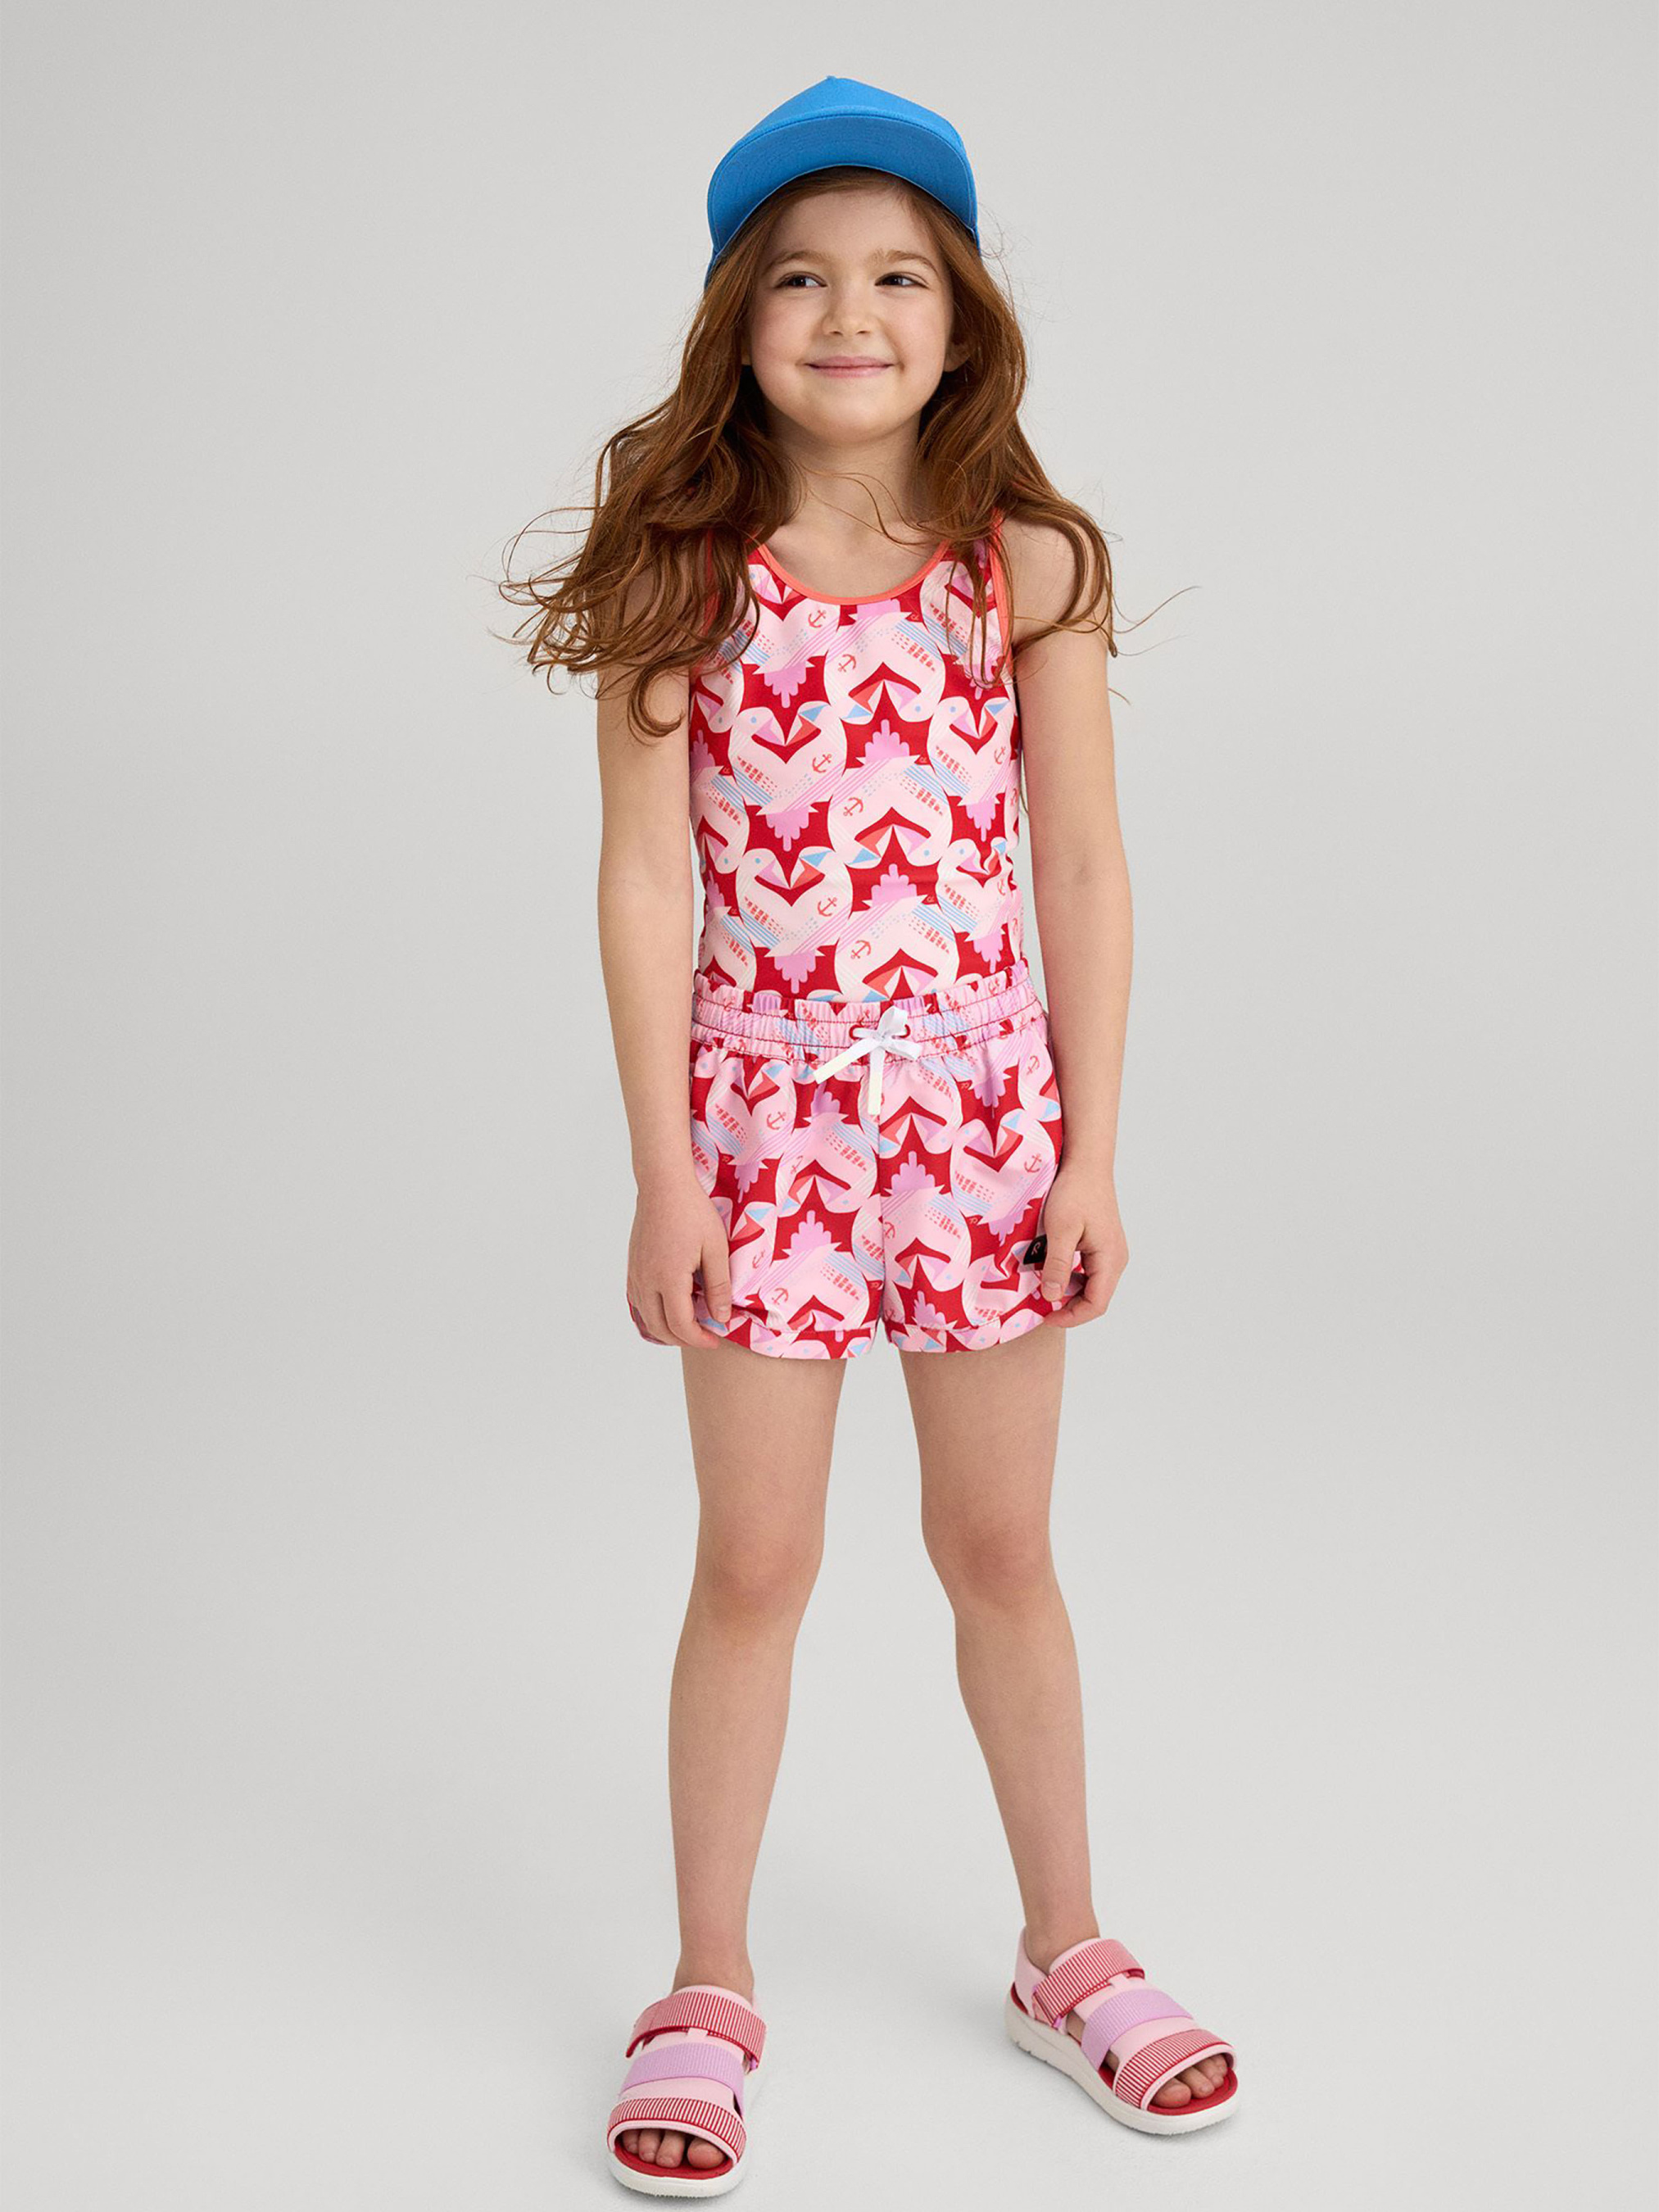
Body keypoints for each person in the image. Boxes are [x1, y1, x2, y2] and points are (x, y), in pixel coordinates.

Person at [499, 73, 1239, 2197]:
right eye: (803, 278)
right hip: (765, 1135)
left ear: (961, 311)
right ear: (738, 318)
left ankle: (1065, 1947)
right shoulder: (683, 575)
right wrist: (668, 1171)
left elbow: (1080, 865)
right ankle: (706, 1981)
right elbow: (645, 880)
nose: (851, 315)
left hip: (987, 1128)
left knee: (1001, 1551)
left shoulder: (1027, 565)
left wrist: (1087, 1151)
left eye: (898, 275)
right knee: (755, 1561)